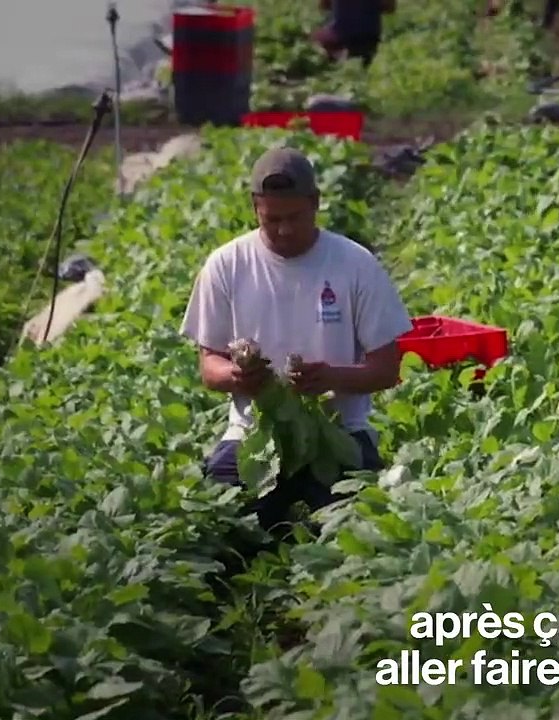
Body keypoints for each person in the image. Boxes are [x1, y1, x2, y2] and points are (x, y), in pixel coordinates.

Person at [181, 147, 413, 536]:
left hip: (338, 431)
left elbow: (387, 370)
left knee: (355, 529)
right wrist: (239, 377)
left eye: (295, 217)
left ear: (316, 203)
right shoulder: (226, 265)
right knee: (223, 525)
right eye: (273, 219)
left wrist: (331, 378)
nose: (285, 230)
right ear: (255, 207)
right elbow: (209, 365)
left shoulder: (355, 264)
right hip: (253, 433)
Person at [312, 0, 385, 68]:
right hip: (369, 36)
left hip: (341, 36)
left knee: (314, 37)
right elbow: (388, 7)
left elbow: (324, 5)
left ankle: (336, 57)